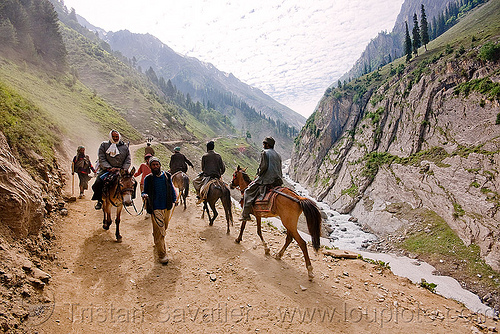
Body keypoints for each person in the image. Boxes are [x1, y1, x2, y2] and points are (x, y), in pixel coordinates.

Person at [142, 157, 177, 264]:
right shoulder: (148, 179)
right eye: (153, 165)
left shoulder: (167, 176)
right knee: (161, 231)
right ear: (150, 166)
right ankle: (162, 255)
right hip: (155, 207)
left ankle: (156, 239)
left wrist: (175, 199)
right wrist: (144, 195)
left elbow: (171, 188)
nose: (156, 166)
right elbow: (144, 191)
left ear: (160, 165)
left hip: (167, 206)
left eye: (157, 164)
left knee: (163, 228)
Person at [240, 137, 283, 222]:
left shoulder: (264, 153)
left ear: (267, 145)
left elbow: (263, 167)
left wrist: (258, 173)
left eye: (264, 144)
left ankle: (245, 215)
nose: (263, 145)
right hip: (277, 180)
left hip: (267, 179)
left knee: (248, 191)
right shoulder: (278, 155)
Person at [92, 130, 132, 210]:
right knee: (98, 182)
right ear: (110, 137)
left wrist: (123, 169)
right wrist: (109, 168)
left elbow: (128, 159)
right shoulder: (104, 145)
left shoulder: (124, 147)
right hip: (107, 170)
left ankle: (130, 200)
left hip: (122, 170)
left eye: (116, 137)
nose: (115, 138)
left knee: (133, 183)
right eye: (113, 137)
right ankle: (99, 200)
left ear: (119, 137)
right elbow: (101, 158)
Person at [134, 153, 153, 218]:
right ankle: (147, 209)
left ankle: (151, 210)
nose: (148, 160)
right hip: (143, 183)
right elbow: (138, 173)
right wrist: (131, 176)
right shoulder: (142, 165)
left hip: (152, 183)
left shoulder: (153, 165)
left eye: (150, 158)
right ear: (146, 159)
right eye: (147, 159)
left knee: (151, 197)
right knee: (144, 197)